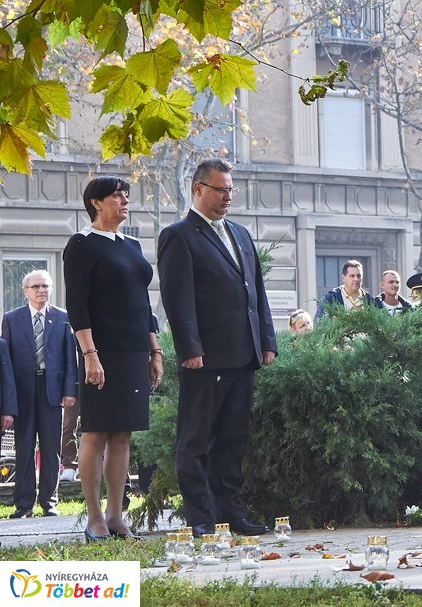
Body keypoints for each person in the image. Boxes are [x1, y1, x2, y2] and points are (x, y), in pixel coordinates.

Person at [158, 159, 277, 539]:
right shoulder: (179, 235)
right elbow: (178, 300)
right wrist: (189, 348)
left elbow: (255, 292)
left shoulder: (240, 234)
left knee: (232, 440)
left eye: (230, 190)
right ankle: (202, 518)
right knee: (195, 442)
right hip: (205, 358)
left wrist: (267, 341)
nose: (227, 197)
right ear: (198, 189)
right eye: (220, 190)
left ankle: (233, 514)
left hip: (243, 355)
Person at [63, 176, 163, 541]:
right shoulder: (82, 244)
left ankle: (116, 516)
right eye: (116, 195)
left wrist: (155, 350)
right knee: (95, 432)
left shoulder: (133, 245)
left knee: (123, 434)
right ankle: (94, 519)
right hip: (100, 351)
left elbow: (143, 303)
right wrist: (90, 354)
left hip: (135, 349)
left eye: (125, 195)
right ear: (95, 203)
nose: (124, 200)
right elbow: (77, 304)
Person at [4, 270, 77, 518]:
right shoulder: (11, 319)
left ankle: (49, 502)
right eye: (35, 287)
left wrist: (69, 391)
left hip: (52, 390)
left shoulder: (62, 318)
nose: (41, 290)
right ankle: (23, 504)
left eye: (45, 286)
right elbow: (5, 363)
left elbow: (70, 358)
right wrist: (7, 401)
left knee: (50, 448)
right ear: (26, 291)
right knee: (24, 448)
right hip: (23, 392)